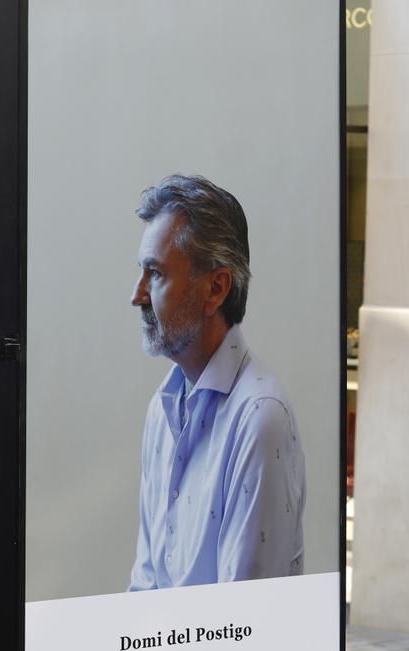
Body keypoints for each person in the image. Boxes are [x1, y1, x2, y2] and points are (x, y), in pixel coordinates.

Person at [127, 175, 306, 590]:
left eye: (155, 274)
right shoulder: (164, 405)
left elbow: (245, 623)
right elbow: (147, 581)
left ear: (216, 288)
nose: (137, 296)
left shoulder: (260, 417)